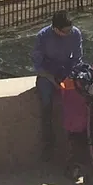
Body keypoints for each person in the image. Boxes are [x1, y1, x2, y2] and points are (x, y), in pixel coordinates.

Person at [32, 11, 84, 161]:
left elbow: (77, 59)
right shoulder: (43, 36)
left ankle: (76, 140)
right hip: (47, 74)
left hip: (67, 71)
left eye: (70, 30)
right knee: (47, 103)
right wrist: (52, 79)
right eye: (65, 32)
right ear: (55, 29)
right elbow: (37, 64)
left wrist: (69, 77)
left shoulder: (75, 34)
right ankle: (48, 143)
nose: (68, 34)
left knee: (77, 99)